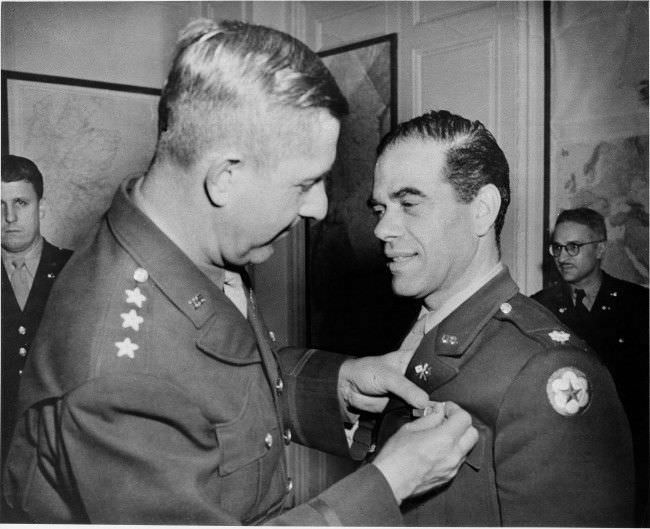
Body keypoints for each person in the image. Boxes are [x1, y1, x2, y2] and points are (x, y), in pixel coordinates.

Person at [2, 20, 478, 524]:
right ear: (224, 177)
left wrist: (335, 383)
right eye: (305, 183)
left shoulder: (193, 248)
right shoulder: (122, 372)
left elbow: (219, 384)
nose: (318, 207)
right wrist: (389, 482)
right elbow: (170, 382)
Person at [368, 110, 635, 526]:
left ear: (482, 209)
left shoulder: (544, 370)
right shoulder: (411, 337)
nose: (383, 228)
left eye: (408, 203)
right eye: (380, 208)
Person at [532, 207, 649, 524]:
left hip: (623, 455)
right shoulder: (537, 308)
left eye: (574, 247)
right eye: (557, 247)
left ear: (600, 249)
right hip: (558, 455)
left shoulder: (638, 306)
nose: (562, 256)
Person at [1, 155, 73, 467]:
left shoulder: (75, 269)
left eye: (21, 203)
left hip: (57, 447)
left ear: (40, 208)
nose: (10, 217)